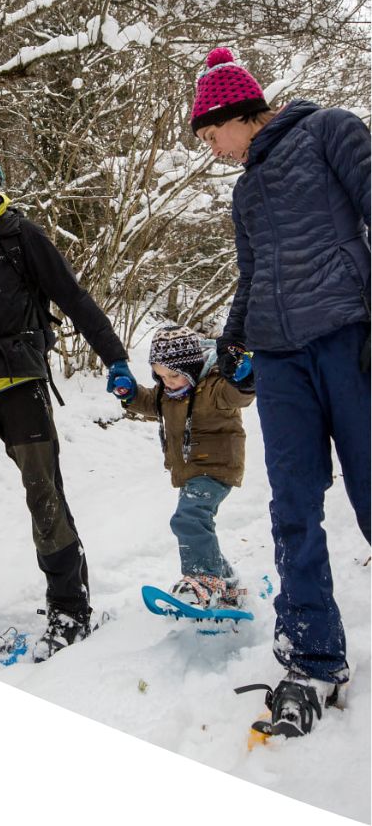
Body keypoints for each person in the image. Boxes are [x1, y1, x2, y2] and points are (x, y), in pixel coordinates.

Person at [191, 47, 371, 737]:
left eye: (213, 135)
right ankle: (312, 658)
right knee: (293, 506)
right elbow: (252, 274)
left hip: (347, 336)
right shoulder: (245, 193)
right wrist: (233, 342)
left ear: (240, 112)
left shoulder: (330, 130)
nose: (214, 151)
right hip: (280, 361)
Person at [0, 136, 135, 663]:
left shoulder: (22, 236)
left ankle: (70, 611)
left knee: (45, 497)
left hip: (20, 385)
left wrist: (115, 357)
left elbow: (73, 297)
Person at [122, 324, 254, 607]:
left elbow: (238, 396)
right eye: (160, 376)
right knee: (196, 524)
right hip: (191, 471)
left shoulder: (215, 387)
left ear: (192, 367)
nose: (167, 382)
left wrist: (245, 380)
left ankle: (203, 579)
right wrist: (129, 393)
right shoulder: (167, 393)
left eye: (173, 375)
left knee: (189, 518)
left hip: (217, 468)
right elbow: (149, 402)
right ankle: (228, 585)